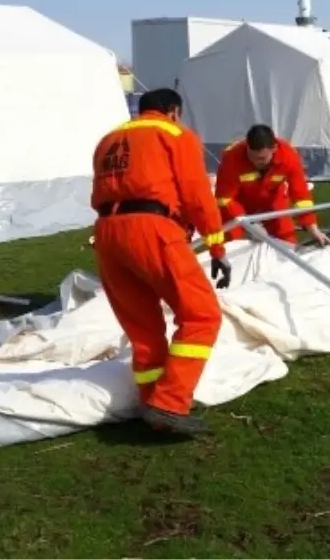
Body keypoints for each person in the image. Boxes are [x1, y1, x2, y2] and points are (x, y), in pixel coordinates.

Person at [90, 88, 231, 436]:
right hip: (150, 227)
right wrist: (215, 245)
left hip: (107, 232)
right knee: (202, 315)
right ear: (172, 111)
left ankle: (152, 402)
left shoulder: (109, 139)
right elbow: (196, 193)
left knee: (143, 328)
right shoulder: (174, 134)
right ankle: (170, 404)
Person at [215, 124, 330, 247]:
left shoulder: (288, 156)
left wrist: (312, 228)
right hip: (238, 205)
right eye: (251, 157)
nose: (256, 162)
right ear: (247, 147)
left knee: (286, 238)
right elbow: (224, 199)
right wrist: (246, 224)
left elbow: (301, 196)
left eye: (262, 158)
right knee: (233, 242)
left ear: (274, 148)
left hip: (273, 200)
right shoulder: (231, 157)